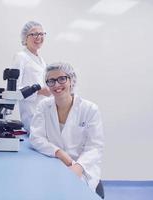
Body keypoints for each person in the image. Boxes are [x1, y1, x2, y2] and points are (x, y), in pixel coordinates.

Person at [29, 62, 105, 196]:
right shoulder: (43, 106)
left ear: (71, 80)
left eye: (62, 79)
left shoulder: (89, 109)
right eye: (51, 81)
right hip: (54, 162)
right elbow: (36, 137)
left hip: (83, 167)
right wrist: (58, 152)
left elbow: (94, 147)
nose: (57, 85)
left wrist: (78, 167)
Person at [12, 21, 51, 132]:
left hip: (43, 111)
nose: (38, 37)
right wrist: (39, 91)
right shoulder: (21, 57)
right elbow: (14, 90)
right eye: (34, 34)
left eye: (41, 34)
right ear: (25, 38)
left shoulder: (41, 60)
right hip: (30, 114)